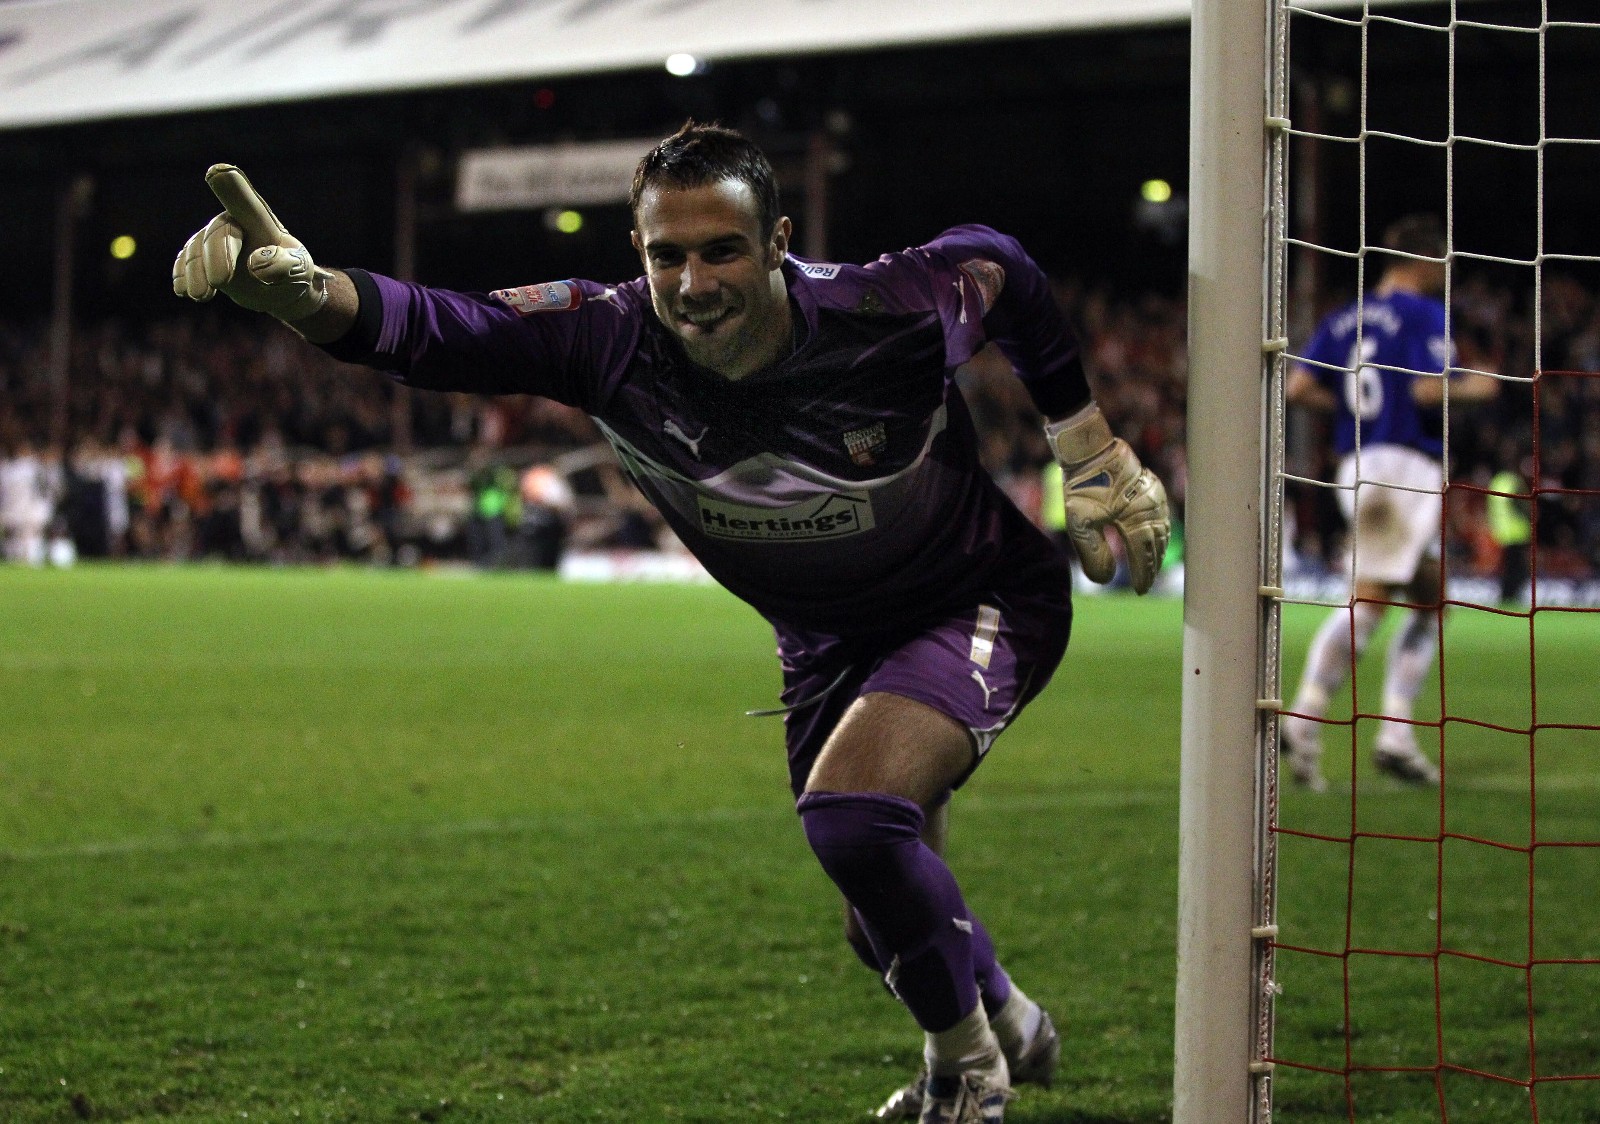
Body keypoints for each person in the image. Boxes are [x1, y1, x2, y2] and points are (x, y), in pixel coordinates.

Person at [173, 123, 1170, 1123]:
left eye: (721, 248)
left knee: (853, 818)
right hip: (826, 643)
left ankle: (966, 1072)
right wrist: (312, 300)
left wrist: (1084, 447)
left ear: (777, 240)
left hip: (977, 594)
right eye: (667, 255)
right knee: (879, 922)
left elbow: (1003, 266)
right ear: (639, 254)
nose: (694, 282)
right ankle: (1010, 1014)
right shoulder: (607, 339)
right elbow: (444, 328)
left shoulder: (883, 312)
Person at [1281, 215, 1498, 792]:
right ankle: (1308, 717)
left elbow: (1298, 388)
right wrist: (1482, 383)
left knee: (1428, 597)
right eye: (1443, 261)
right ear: (1423, 260)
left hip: (1356, 463)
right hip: (1403, 466)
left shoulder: (1341, 317)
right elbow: (1427, 387)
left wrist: (1355, 414)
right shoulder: (1425, 315)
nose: (1446, 273)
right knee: (1374, 600)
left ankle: (1389, 734)